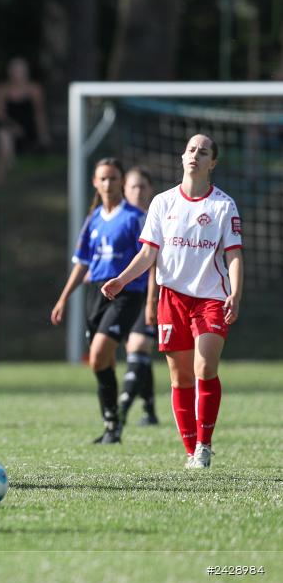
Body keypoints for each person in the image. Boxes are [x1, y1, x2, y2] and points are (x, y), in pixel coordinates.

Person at [102, 135, 243, 469]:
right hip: (172, 298)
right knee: (180, 378)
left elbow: (234, 255)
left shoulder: (223, 205)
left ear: (213, 163)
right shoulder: (163, 203)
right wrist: (122, 279)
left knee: (205, 367)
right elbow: (149, 252)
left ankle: (205, 446)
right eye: (191, 149)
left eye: (203, 151)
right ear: (183, 157)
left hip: (211, 298)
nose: (195, 155)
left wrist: (235, 294)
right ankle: (191, 450)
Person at [51, 158, 148, 444]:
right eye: (102, 179)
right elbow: (82, 263)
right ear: (95, 182)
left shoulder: (134, 217)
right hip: (96, 293)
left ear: (121, 181)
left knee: (98, 353)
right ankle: (112, 424)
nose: (108, 184)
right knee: (98, 362)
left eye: (113, 178)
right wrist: (63, 298)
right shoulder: (92, 219)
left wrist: (151, 296)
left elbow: (149, 257)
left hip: (126, 293)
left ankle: (117, 418)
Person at [117, 167, 160, 426]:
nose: (137, 191)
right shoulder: (121, 219)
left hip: (150, 291)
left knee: (139, 346)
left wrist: (153, 298)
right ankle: (150, 409)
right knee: (136, 350)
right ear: (124, 190)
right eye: (132, 186)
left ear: (151, 189)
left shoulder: (156, 218)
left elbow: (154, 260)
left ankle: (121, 408)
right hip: (126, 293)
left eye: (142, 186)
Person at [0, 57, 51, 187]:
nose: (17, 73)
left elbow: (39, 113)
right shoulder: (1, 89)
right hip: (8, 126)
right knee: (3, 135)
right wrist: (13, 126)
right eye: (15, 70)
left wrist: (43, 134)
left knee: (2, 140)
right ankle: (3, 175)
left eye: (20, 70)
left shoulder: (35, 89)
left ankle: (4, 174)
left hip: (29, 129)